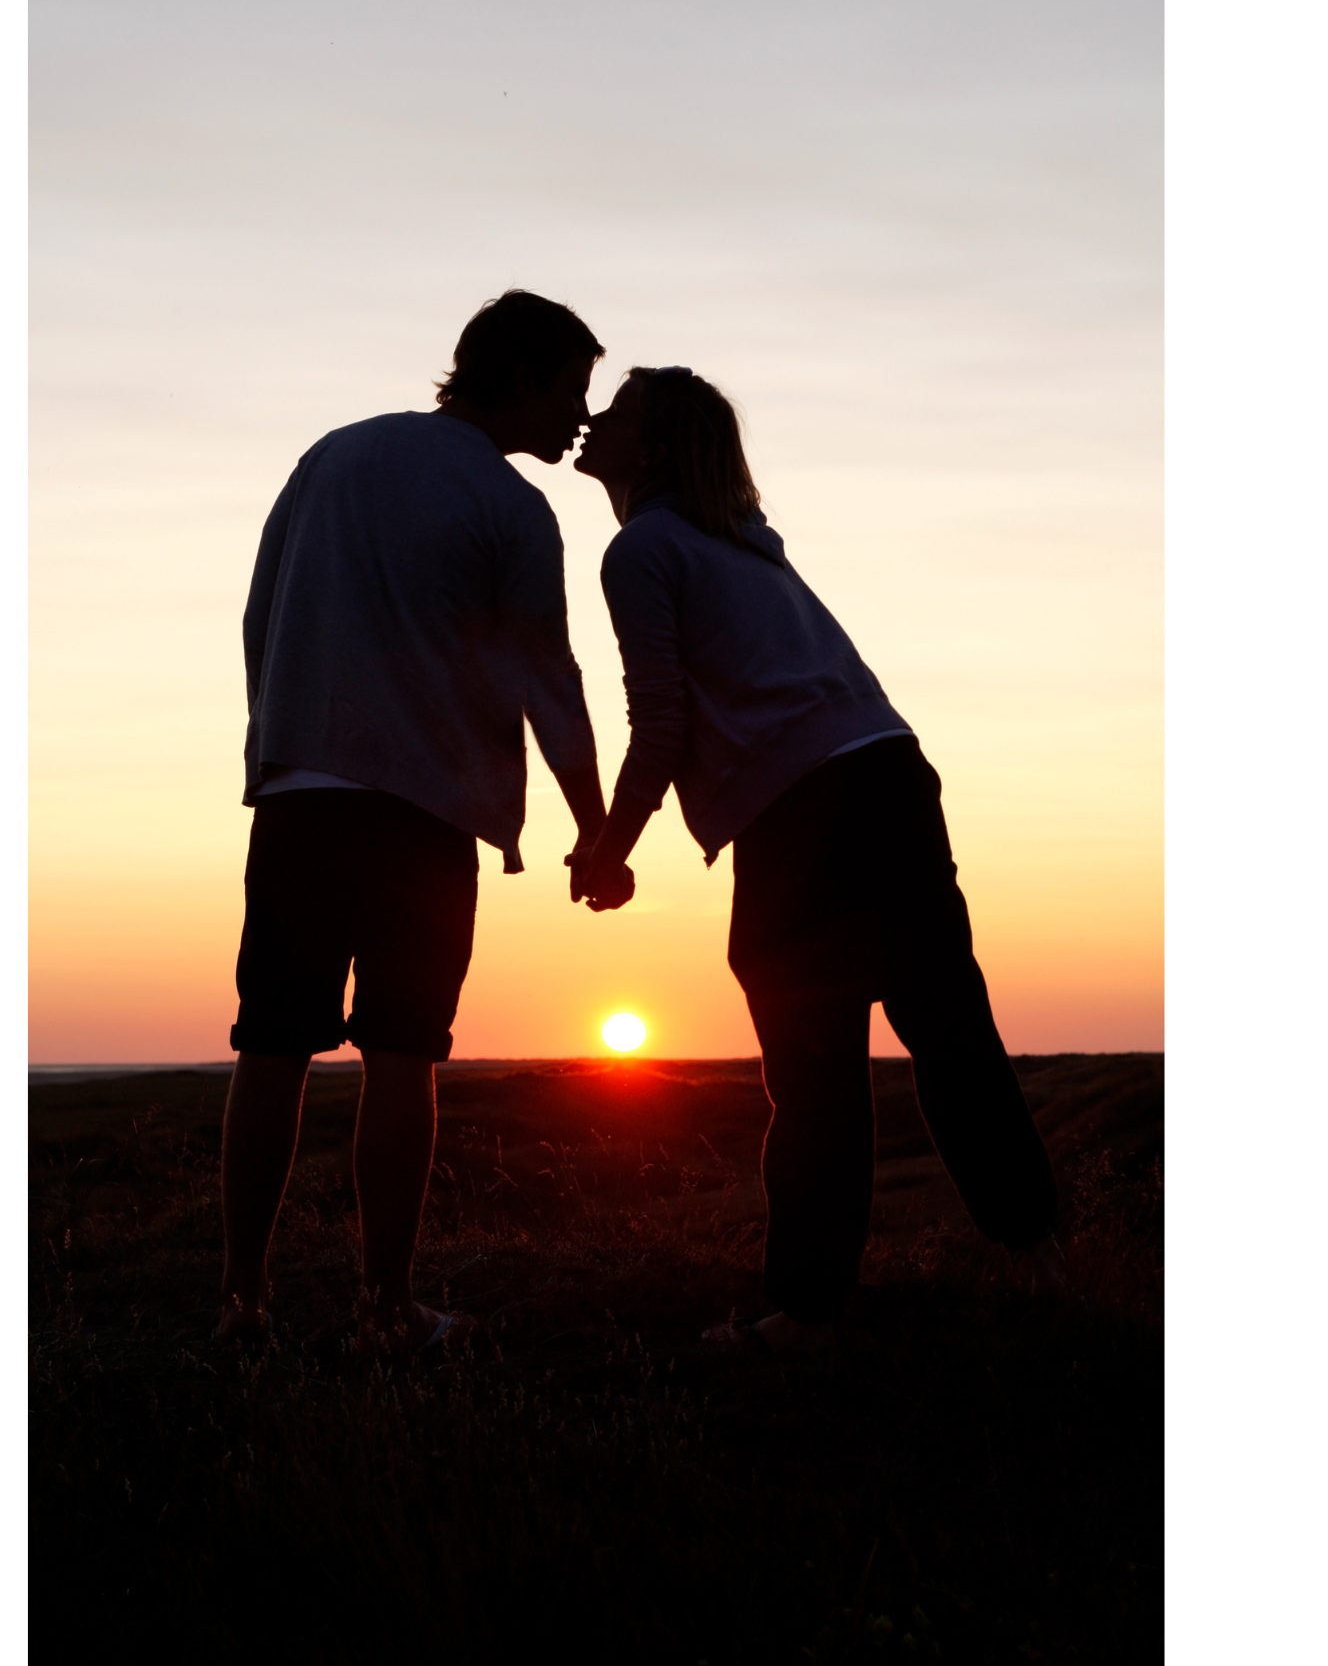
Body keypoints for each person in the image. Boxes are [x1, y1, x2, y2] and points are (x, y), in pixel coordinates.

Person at [566, 365, 1064, 1357]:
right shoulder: (749, 546)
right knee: (952, 1033)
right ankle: (1039, 1258)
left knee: (814, 1065)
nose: (590, 417)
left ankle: (805, 1311)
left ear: (653, 447)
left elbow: (658, 728)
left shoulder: (644, 550)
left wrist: (608, 851)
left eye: (614, 409)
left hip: (805, 814)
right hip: (888, 776)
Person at [218, 290, 613, 1353]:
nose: (581, 415)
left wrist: (281, 745)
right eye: (571, 389)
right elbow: (546, 675)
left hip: (301, 795)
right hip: (423, 814)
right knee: (403, 1055)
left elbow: (262, 610)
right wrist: (596, 827)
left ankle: (241, 1306)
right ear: (522, 377)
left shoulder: (334, 457)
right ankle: (387, 1310)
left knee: (271, 1045)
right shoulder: (511, 509)